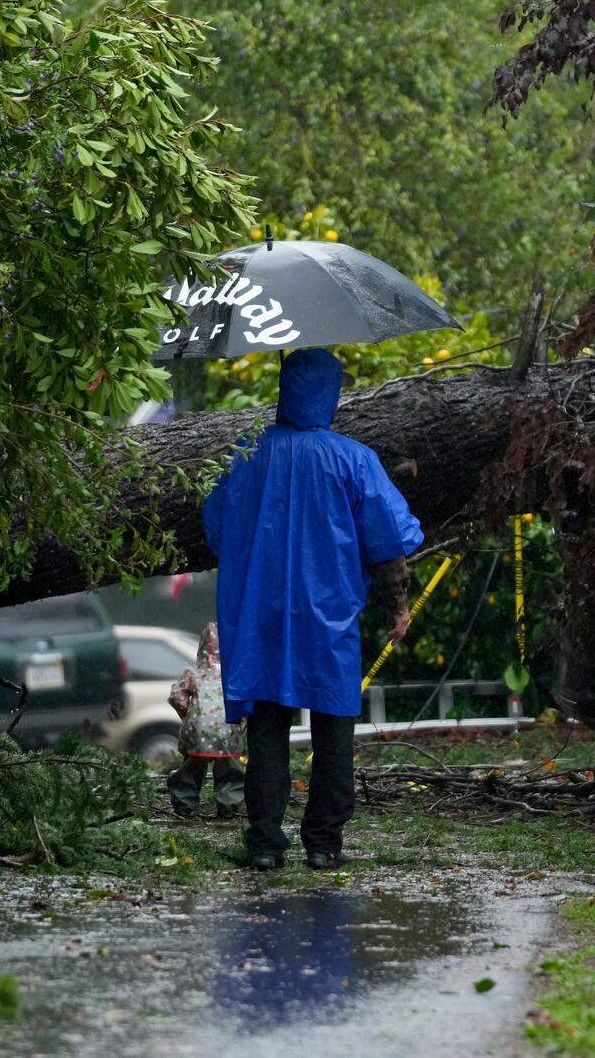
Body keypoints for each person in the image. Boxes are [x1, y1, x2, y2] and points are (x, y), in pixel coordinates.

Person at [203, 349, 421, 871]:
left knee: (268, 727)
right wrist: (399, 605)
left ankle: (264, 845)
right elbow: (387, 541)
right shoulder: (353, 459)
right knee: (333, 725)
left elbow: (217, 531)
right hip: (329, 618)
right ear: (330, 392)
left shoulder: (244, 454)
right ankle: (323, 843)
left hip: (262, 616)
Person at [165, 623, 246, 819]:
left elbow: (176, 696)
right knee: (230, 770)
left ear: (201, 647)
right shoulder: (235, 673)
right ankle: (228, 806)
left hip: (198, 730)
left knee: (191, 768)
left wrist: (187, 714)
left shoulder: (194, 673)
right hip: (230, 728)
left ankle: (185, 804)